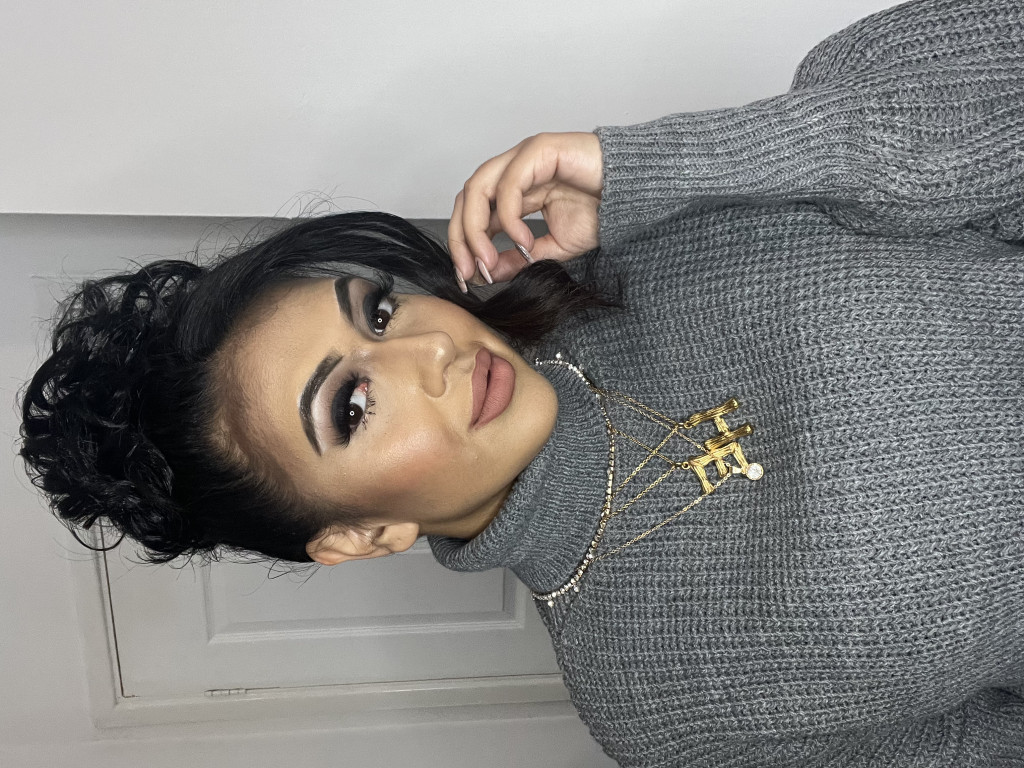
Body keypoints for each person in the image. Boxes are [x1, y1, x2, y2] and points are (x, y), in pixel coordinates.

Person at [20, 0, 1023, 764]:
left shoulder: (656, 221)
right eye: (353, 405)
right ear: (363, 535)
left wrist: (687, 164)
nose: (431, 351)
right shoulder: (657, 708)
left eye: (379, 312)